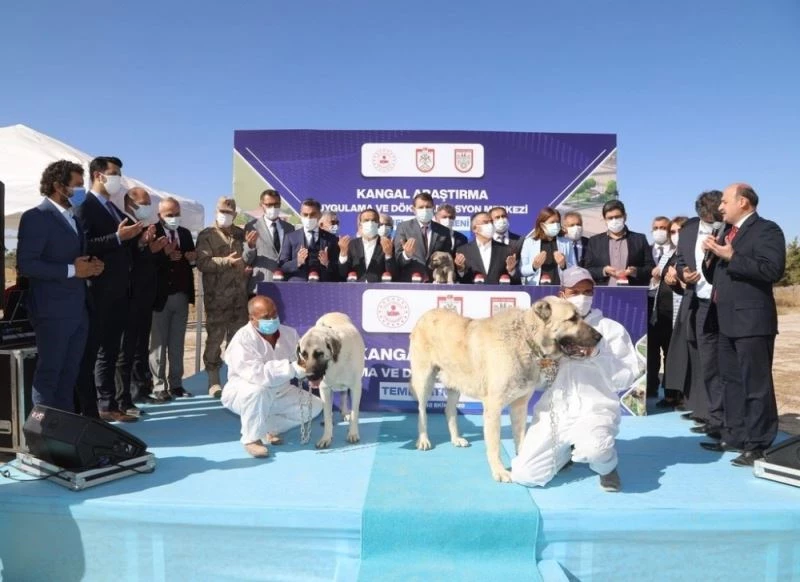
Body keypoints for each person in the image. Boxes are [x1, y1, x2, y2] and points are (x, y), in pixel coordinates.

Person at [511, 267, 641, 492]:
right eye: (575, 292)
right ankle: (565, 453)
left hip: (595, 411)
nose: (582, 297)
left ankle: (607, 467)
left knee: (594, 450)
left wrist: (596, 355)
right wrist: (546, 363)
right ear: (562, 294)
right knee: (525, 474)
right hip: (555, 412)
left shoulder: (609, 330)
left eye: (588, 292)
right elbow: (540, 383)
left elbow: (625, 378)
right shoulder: (549, 331)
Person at [700, 183, 785, 466]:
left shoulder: (767, 230)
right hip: (724, 319)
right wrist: (711, 255)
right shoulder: (725, 232)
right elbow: (715, 277)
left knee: (756, 384)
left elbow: (771, 269)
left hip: (752, 320)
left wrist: (731, 256)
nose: (720, 207)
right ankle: (735, 435)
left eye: (725, 201)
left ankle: (759, 442)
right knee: (732, 382)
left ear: (744, 203)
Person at [17, 160, 104, 412]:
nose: (81, 191)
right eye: (77, 185)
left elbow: (74, 259)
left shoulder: (74, 219)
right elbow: (27, 264)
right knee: (50, 375)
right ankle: (43, 435)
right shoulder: (37, 217)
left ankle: (63, 433)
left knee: (69, 376)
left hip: (78, 310)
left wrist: (91, 266)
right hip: (51, 311)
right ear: (58, 185)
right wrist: (72, 270)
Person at [74, 156, 144, 422]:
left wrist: (136, 241)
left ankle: (109, 404)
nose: (118, 179)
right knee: (95, 351)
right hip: (98, 290)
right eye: (114, 173)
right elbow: (83, 243)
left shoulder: (114, 209)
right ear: (98, 175)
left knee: (112, 350)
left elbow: (123, 247)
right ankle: (94, 409)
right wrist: (117, 238)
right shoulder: (84, 204)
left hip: (118, 290)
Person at [221, 295, 323, 457]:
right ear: (252, 318)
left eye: (274, 314)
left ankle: (268, 428)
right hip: (245, 391)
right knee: (258, 390)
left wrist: (311, 374)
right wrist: (293, 368)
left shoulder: (289, 333)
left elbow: (301, 361)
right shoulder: (242, 339)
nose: (272, 319)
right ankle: (251, 439)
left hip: (281, 390)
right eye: (266, 317)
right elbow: (258, 374)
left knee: (315, 406)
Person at [665, 192, 724, 429]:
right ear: (701, 215)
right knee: (700, 358)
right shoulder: (688, 231)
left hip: (722, 302)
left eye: (716, 218)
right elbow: (680, 260)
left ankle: (718, 415)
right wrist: (683, 274)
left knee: (717, 361)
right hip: (697, 301)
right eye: (709, 219)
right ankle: (702, 410)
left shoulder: (729, 229)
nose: (713, 223)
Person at [115, 188, 168, 416]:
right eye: (144, 202)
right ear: (131, 204)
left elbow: (147, 263)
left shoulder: (145, 227)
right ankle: (122, 398)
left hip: (145, 298)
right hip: (128, 298)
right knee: (124, 352)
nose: (148, 206)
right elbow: (125, 260)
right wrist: (141, 245)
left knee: (139, 349)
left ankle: (139, 390)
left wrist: (153, 248)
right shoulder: (123, 226)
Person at [196, 197, 249, 398]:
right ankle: (214, 380)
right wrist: (225, 262)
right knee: (215, 339)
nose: (225, 215)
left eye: (229, 212)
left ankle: (234, 380)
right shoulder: (207, 235)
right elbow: (202, 263)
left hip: (239, 298)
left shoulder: (240, 235)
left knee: (237, 341)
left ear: (235, 214)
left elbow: (248, 257)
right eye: (222, 211)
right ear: (216, 211)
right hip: (217, 298)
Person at [149, 197, 197, 402]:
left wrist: (191, 257)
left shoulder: (185, 233)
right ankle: (159, 386)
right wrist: (164, 256)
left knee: (177, 343)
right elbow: (145, 262)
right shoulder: (152, 232)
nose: (174, 218)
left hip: (181, 294)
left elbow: (189, 260)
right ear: (160, 215)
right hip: (160, 297)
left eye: (177, 214)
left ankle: (176, 384)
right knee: (158, 344)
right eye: (170, 215)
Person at [584, 200, 654, 286]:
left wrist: (635, 271)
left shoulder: (640, 239)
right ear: (604, 219)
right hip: (604, 293)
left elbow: (650, 267)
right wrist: (604, 270)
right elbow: (587, 269)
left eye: (617, 217)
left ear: (625, 217)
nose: (614, 220)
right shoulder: (594, 241)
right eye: (610, 218)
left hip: (633, 292)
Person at [243, 189, 295, 293]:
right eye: (269, 205)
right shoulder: (251, 227)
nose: (273, 208)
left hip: (285, 285)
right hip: (260, 284)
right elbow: (245, 260)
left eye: (276, 204)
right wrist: (250, 246)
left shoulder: (290, 228)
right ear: (261, 205)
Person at [647, 216, 676, 401]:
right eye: (656, 227)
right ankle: (650, 386)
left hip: (669, 305)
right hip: (648, 304)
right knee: (650, 350)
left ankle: (671, 392)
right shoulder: (646, 250)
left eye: (664, 228)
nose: (660, 231)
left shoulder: (677, 252)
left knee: (670, 350)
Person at [394, 192, 452, 282]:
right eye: (421, 207)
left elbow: (447, 259)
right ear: (413, 209)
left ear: (433, 208)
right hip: (411, 281)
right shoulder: (403, 227)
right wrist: (406, 255)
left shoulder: (444, 231)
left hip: (436, 282)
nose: (425, 210)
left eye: (428, 207)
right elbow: (397, 259)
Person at [279, 198, 340, 282]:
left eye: (312, 214)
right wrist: (298, 262)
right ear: (300, 215)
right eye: (305, 214)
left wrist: (327, 263)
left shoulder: (331, 239)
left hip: (323, 287)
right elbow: (283, 266)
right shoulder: (290, 237)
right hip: (297, 287)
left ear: (319, 215)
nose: (309, 218)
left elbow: (338, 268)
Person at [455, 212, 519, 284]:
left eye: (491, 222)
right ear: (475, 229)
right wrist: (460, 270)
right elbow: (458, 281)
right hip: (472, 294)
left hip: (497, 294)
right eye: (486, 222)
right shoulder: (463, 250)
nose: (490, 225)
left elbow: (517, 282)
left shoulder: (506, 250)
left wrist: (511, 270)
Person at [338, 208, 397, 281]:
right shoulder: (351, 244)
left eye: (373, 220)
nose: (370, 223)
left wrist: (388, 255)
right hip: (354, 289)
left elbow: (393, 274)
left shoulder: (387, 244)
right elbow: (342, 274)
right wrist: (343, 254)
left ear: (378, 224)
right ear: (360, 224)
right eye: (366, 220)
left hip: (378, 289)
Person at [520, 207, 573, 285]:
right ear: (542, 225)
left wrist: (564, 265)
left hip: (560, 288)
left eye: (557, 222)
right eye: (552, 222)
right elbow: (521, 270)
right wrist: (534, 266)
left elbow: (575, 269)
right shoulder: (529, 242)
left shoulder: (566, 243)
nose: (556, 225)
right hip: (536, 289)